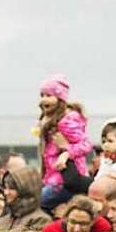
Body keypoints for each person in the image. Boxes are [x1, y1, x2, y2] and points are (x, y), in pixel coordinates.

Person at [37, 74, 93, 211]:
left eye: (49, 95)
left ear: (60, 98)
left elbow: (86, 145)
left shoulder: (66, 121)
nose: (44, 99)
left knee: (36, 203)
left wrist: (67, 150)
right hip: (52, 179)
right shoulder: (50, 121)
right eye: (42, 95)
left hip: (64, 181)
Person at [0, 166, 52, 232]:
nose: (6, 192)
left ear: (26, 190)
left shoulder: (40, 220)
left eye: (11, 188)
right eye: (5, 187)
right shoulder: (1, 221)